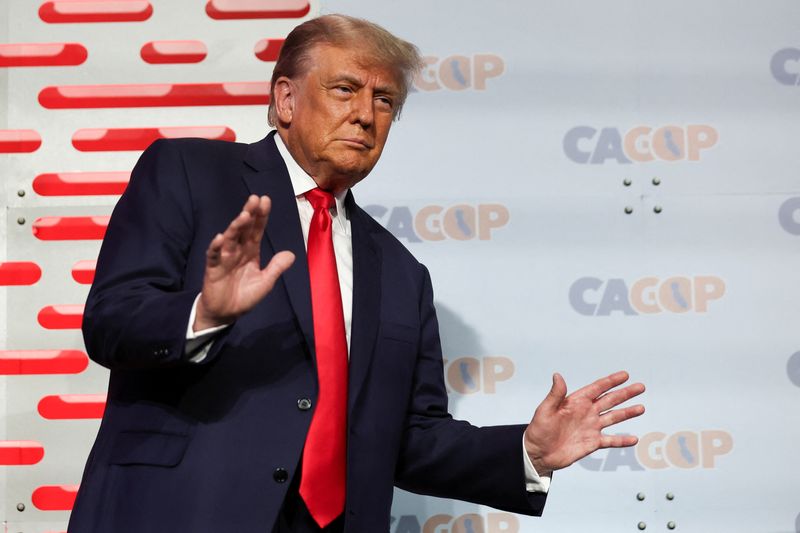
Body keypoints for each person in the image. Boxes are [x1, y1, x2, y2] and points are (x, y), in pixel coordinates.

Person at [67, 14, 645, 533]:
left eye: (385, 100)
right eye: (345, 89)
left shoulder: (400, 271)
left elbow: (411, 437)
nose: (365, 115)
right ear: (286, 100)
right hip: (180, 513)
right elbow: (111, 321)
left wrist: (527, 453)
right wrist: (205, 313)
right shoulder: (190, 173)